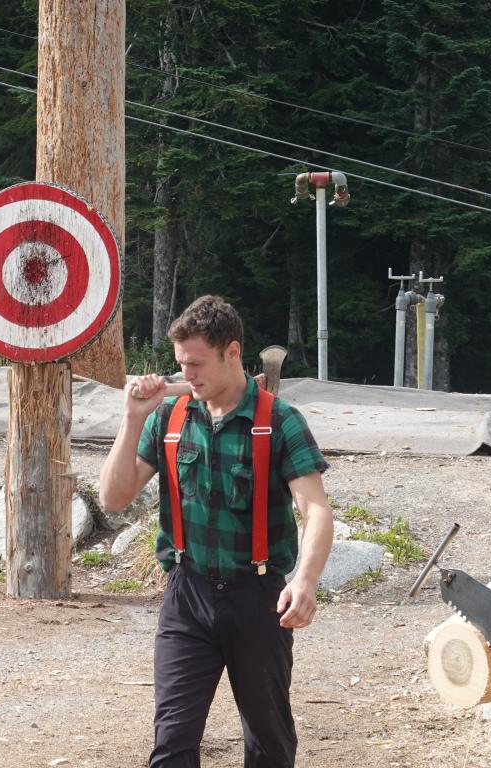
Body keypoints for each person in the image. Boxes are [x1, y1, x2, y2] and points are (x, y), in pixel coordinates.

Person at [99, 295, 333, 768]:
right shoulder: (169, 417)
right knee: (172, 743)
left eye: (197, 364)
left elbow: (316, 510)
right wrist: (131, 419)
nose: (187, 376)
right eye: (181, 365)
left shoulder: (280, 421)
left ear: (232, 352)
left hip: (260, 598)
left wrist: (305, 580)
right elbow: (113, 498)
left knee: (269, 743)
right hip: (187, 595)